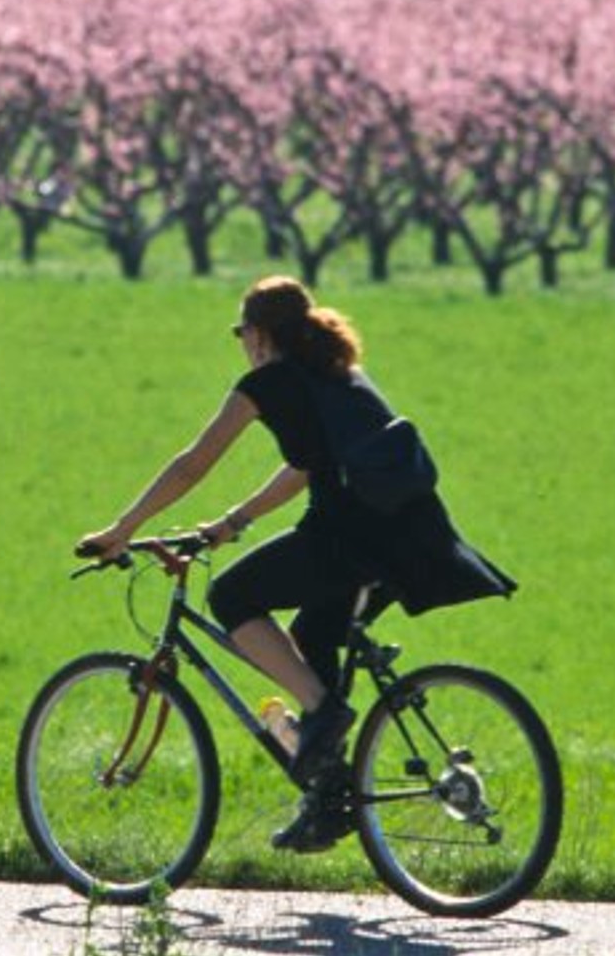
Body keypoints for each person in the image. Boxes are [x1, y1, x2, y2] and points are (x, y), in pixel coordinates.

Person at [76, 276, 517, 853]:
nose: (240, 343)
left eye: (241, 332)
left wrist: (120, 531)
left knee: (232, 598)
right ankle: (327, 802)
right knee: (312, 633)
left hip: (347, 534)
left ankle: (321, 714)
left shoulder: (269, 381)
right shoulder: (336, 372)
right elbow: (309, 464)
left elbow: (193, 464)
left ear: (259, 336)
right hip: (406, 538)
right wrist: (232, 523)